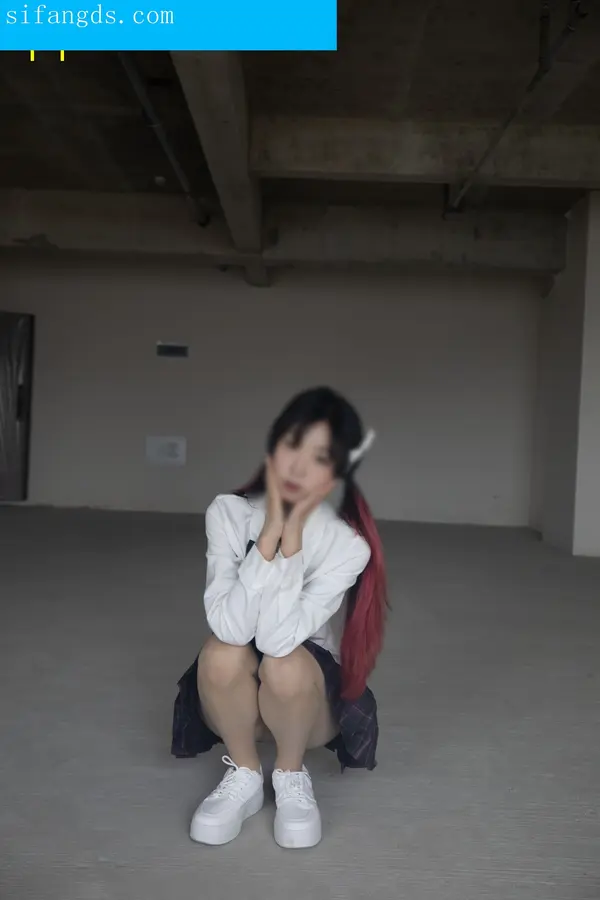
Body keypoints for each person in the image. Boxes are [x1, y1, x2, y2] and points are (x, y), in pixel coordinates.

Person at [171, 386, 388, 849]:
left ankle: (289, 773)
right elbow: (230, 628)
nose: (298, 467)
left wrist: (291, 540)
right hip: (234, 704)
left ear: (336, 474)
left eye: (320, 457)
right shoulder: (228, 513)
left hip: (306, 706)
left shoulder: (348, 546)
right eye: (292, 445)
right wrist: (268, 533)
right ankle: (245, 773)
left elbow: (276, 640)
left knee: (283, 664)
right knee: (220, 652)